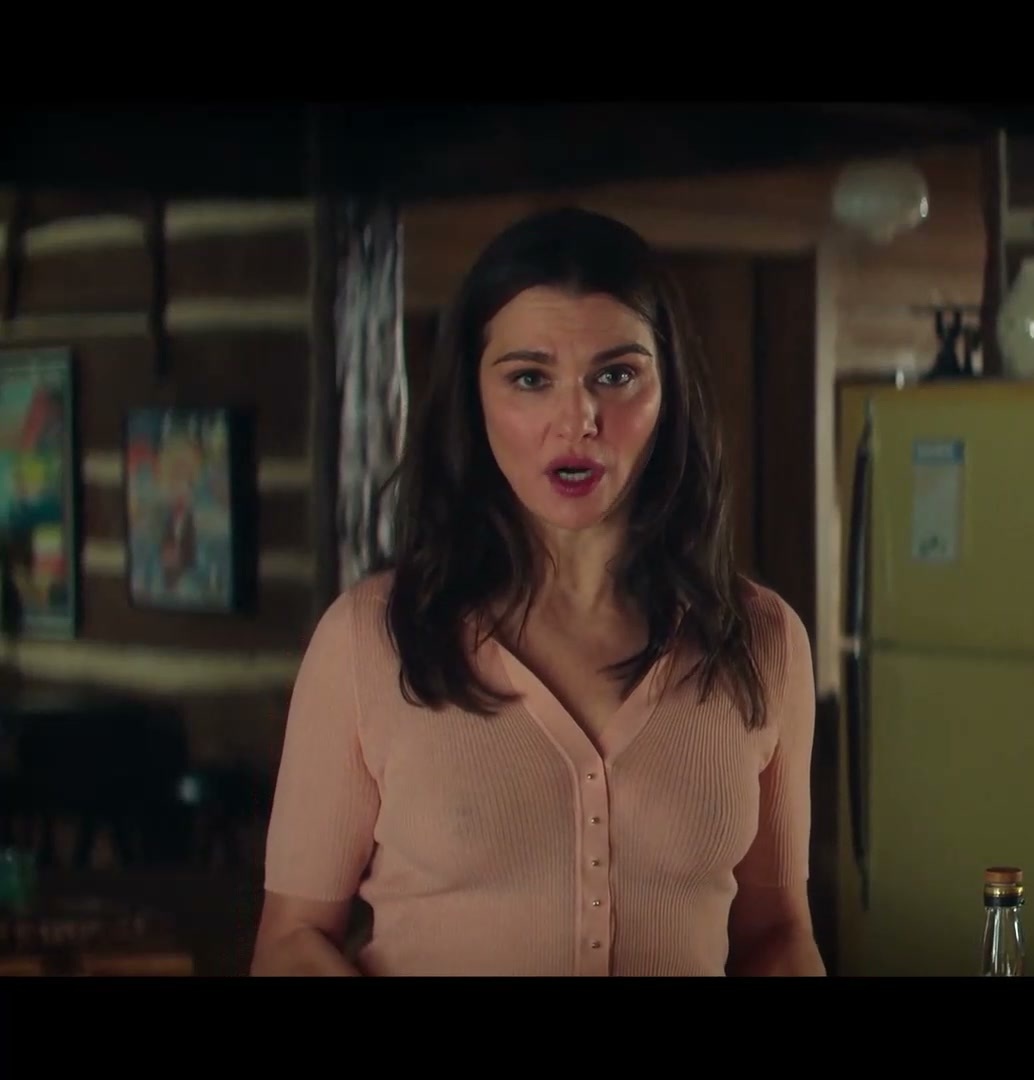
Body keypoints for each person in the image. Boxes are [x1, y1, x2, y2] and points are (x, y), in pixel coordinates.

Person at [251, 207, 824, 976]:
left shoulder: (762, 640)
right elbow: (291, 943)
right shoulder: (370, 639)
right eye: (530, 378)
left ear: (671, 391)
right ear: (474, 396)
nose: (578, 421)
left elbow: (777, 937)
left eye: (616, 376)